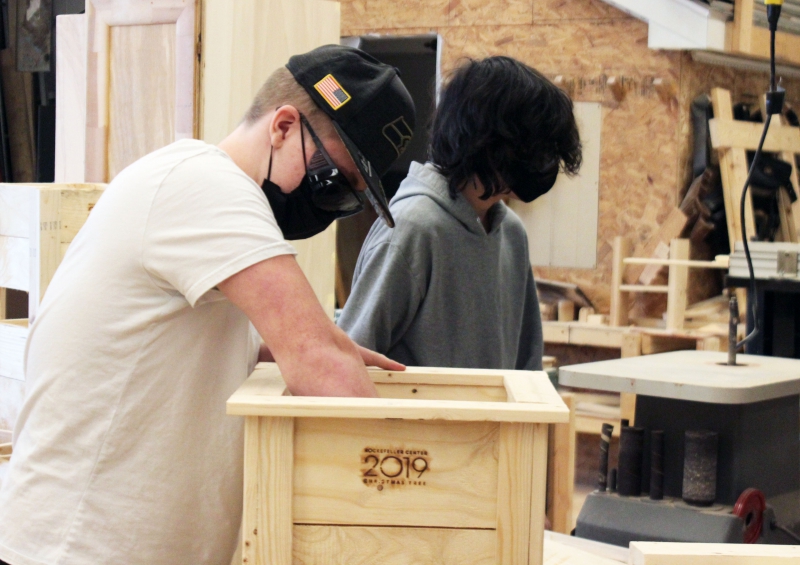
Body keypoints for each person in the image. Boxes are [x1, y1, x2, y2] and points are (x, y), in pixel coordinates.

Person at [0, 45, 415, 565]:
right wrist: (423, 475)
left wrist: (291, 349)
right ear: (283, 127)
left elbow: (183, 340)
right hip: (79, 548)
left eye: (350, 199)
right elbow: (318, 363)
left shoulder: (200, 191)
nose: (332, 207)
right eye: (334, 183)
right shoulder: (205, 186)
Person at [337, 56, 581, 371]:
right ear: (494, 142)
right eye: (538, 148)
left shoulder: (510, 233)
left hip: (492, 422)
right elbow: (351, 359)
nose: (543, 162)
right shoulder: (412, 228)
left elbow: (526, 363)